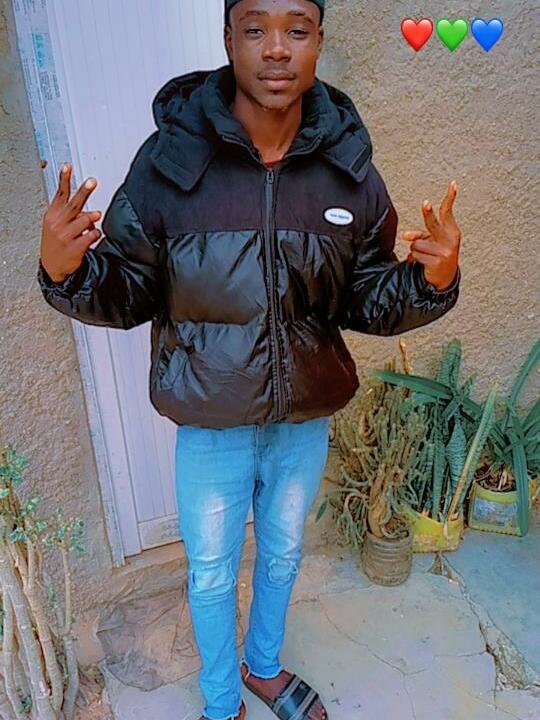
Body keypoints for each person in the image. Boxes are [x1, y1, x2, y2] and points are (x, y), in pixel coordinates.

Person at [37, 1, 462, 718]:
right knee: (209, 574)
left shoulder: (348, 170)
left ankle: (263, 667)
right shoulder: (170, 162)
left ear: (318, 40)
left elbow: (366, 297)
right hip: (211, 421)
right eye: (256, 28)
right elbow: (129, 289)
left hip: (302, 419)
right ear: (228, 38)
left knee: (284, 554)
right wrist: (66, 271)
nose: (276, 49)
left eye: (296, 29)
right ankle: (219, 701)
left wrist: (432, 280)